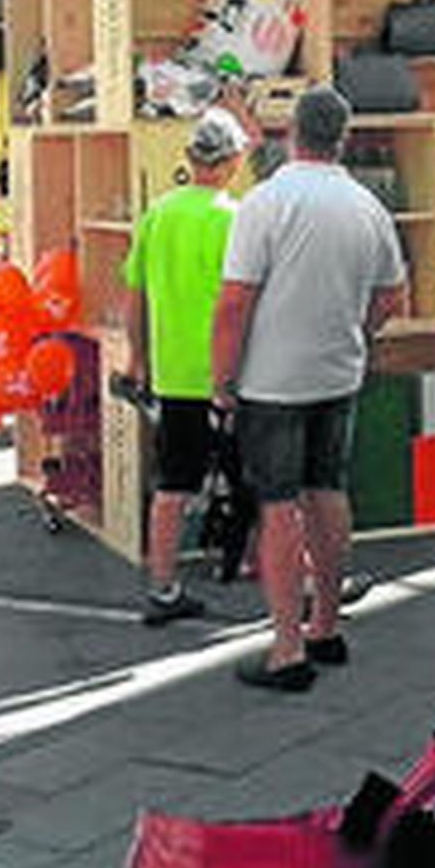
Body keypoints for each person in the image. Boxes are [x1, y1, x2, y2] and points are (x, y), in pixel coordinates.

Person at [212, 85, 407, 691]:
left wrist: (222, 381)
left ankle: (286, 650)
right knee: (328, 491)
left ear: (294, 131)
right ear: (342, 137)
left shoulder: (265, 203)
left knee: (278, 507)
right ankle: (325, 625)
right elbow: (391, 294)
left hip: (272, 380)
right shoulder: (366, 206)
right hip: (337, 372)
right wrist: (360, 332)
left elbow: (234, 304)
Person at [123, 107, 249, 625]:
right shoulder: (233, 217)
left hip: (174, 374)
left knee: (173, 483)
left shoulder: (157, 214)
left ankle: (164, 587)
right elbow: (240, 302)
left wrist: (138, 358)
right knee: (262, 480)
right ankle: (282, 574)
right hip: (230, 374)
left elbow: (136, 296)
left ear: (191, 159)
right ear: (234, 160)